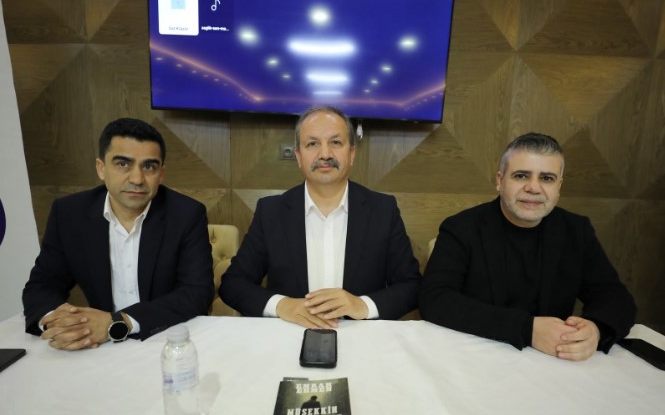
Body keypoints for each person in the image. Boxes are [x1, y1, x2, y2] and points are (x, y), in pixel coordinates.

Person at [420, 133, 636, 361]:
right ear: (500, 181)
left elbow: (616, 298)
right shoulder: (461, 228)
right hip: (476, 355)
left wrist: (595, 329)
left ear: (559, 187)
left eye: (547, 178)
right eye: (521, 175)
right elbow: (435, 299)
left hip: (552, 361)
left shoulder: (576, 231)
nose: (533, 188)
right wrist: (527, 329)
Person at [219, 105, 421, 328]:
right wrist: (282, 306)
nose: (325, 154)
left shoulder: (383, 210)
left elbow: (411, 286)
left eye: (335, 142)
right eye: (312, 144)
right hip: (291, 335)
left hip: (361, 337)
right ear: (298, 156)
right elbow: (233, 284)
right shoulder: (271, 212)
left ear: (352, 154)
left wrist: (362, 305)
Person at [22, 118, 214, 350]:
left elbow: (196, 293)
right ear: (101, 168)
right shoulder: (69, 214)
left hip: (166, 339)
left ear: (161, 174)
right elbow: (42, 286)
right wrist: (64, 323)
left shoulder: (186, 214)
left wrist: (119, 322)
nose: (137, 179)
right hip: (97, 346)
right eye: (123, 164)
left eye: (149, 167)